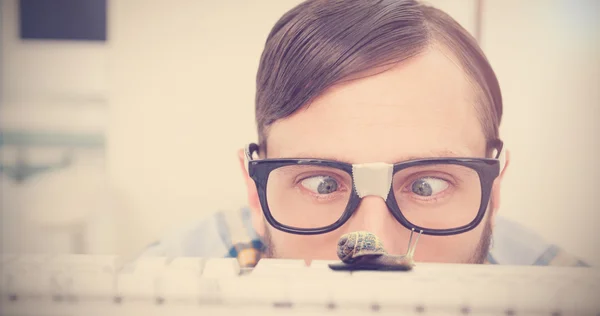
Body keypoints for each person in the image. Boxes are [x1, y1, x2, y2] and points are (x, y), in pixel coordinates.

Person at [140, 0, 587, 267]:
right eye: (323, 183)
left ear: (493, 194)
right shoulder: (152, 288)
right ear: (255, 194)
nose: (372, 247)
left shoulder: (569, 294)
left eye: (427, 185)